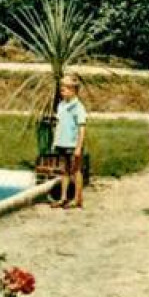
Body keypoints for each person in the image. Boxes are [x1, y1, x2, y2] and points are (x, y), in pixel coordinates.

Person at [49, 73, 87, 209]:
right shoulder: (61, 106)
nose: (62, 91)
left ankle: (78, 198)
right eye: (62, 89)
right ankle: (63, 197)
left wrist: (78, 147)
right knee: (64, 171)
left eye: (65, 89)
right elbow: (59, 124)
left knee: (76, 170)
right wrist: (55, 141)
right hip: (62, 142)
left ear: (73, 90)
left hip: (72, 144)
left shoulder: (78, 108)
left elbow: (81, 128)